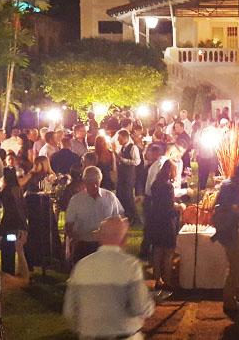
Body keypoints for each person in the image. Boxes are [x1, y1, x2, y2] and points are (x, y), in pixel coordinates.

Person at [63, 216, 154, 339]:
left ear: (99, 237)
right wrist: (150, 305)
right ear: (125, 239)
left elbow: (69, 311)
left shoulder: (81, 266)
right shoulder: (130, 266)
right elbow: (140, 307)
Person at [212, 161, 239, 315]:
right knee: (237, 262)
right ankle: (229, 301)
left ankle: (234, 295)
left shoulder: (227, 183)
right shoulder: (234, 187)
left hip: (226, 228)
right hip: (228, 230)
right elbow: (232, 208)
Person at [65, 166, 124, 265]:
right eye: (91, 183)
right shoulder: (76, 200)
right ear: (85, 182)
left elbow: (118, 218)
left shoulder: (109, 197)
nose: (95, 186)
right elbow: (69, 225)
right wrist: (73, 241)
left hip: (105, 244)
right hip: (84, 244)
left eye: (97, 182)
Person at [147, 160, 183, 299]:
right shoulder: (168, 186)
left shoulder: (155, 184)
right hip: (167, 222)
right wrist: (180, 207)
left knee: (157, 251)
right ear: (171, 171)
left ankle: (157, 280)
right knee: (168, 253)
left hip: (155, 220)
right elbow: (169, 205)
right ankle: (167, 281)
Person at [0, 167, 28, 275]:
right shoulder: (17, 189)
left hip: (8, 222)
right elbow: (21, 206)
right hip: (17, 221)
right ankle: (19, 269)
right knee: (17, 245)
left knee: (7, 246)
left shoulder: (5, 191)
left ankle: (7, 269)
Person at [116, 129, 141, 223]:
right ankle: (126, 215)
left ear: (125, 138)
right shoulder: (122, 148)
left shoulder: (133, 148)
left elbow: (137, 161)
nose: (118, 140)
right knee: (121, 195)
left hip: (129, 175)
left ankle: (134, 217)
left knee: (128, 196)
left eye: (119, 138)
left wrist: (124, 161)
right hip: (122, 175)